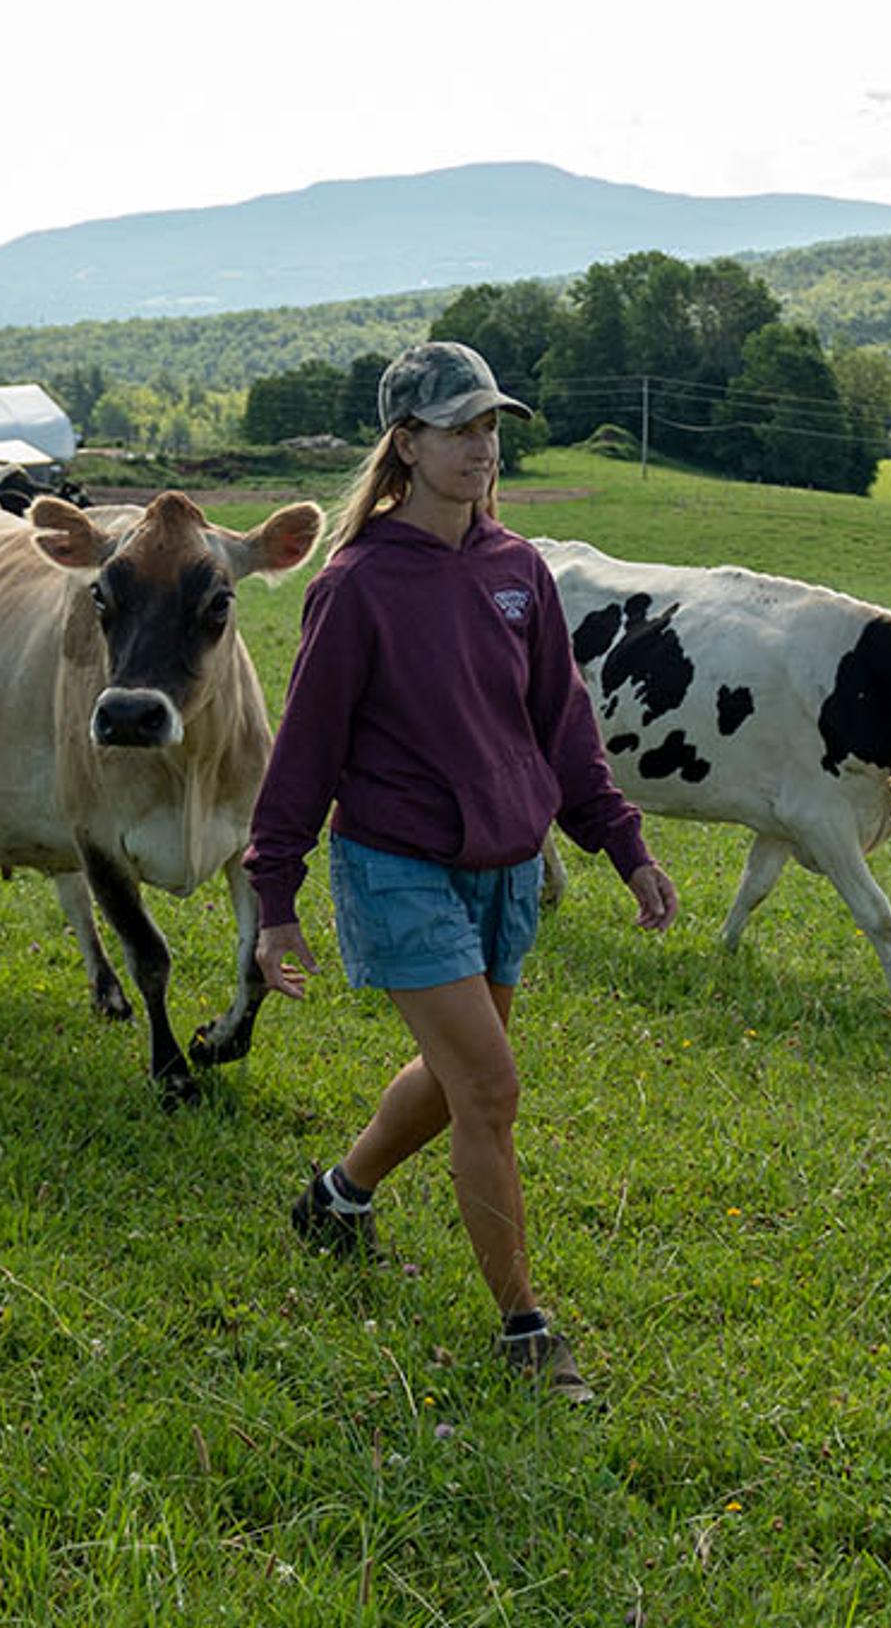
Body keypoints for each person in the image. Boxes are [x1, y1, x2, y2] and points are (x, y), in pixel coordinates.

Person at [246, 339, 681, 1405]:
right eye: (458, 428)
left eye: (491, 427)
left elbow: (563, 727)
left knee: (455, 1081)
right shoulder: (356, 587)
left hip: (504, 866)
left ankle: (339, 1196)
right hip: (395, 865)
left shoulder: (517, 572)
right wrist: (275, 900)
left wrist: (622, 844)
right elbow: (305, 749)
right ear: (406, 444)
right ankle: (525, 1329)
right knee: (489, 1088)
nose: (482, 448)